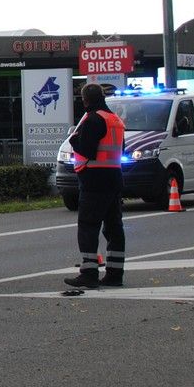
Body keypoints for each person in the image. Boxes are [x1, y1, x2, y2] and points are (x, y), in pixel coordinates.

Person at [65, 82, 126, 289]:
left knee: (88, 226)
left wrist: (73, 140)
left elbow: (88, 150)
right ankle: (115, 274)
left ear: (86, 100)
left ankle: (89, 273)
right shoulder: (115, 120)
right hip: (114, 178)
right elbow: (121, 149)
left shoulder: (92, 120)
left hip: (94, 179)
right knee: (114, 227)